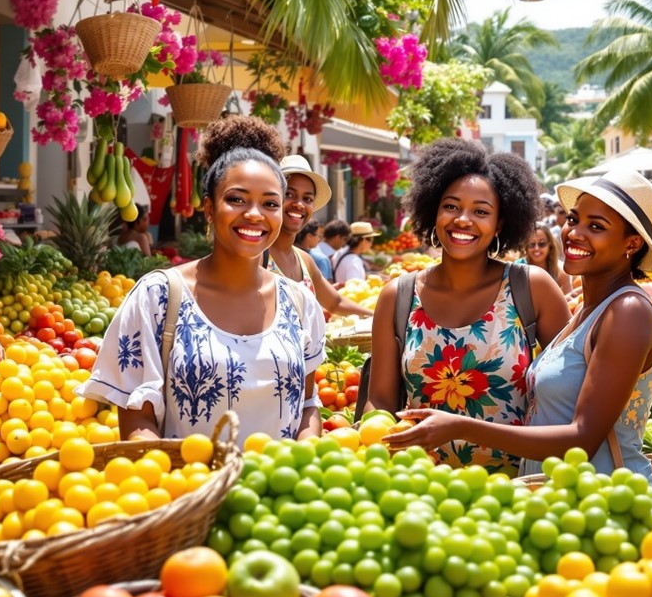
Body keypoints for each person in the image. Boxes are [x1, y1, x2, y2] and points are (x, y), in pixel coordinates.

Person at [385, 170, 652, 480]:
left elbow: (581, 441)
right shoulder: (589, 312)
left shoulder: (627, 312)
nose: (574, 233)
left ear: (632, 244)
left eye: (596, 226)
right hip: (556, 496)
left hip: (605, 500)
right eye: (573, 220)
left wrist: (458, 426)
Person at [77, 116, 326, 441]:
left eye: (270, 203)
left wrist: (306, 461)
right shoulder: (157, 297)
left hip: (281, 488)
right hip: (189, 486)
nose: (254, 214)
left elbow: (308, 404)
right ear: (209, 208)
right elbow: (137, 419)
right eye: (237, 199)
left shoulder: (300, 303)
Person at [364, 138, 569, 473]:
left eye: (481, 211)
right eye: (451, 206)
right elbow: (381, 402)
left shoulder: (531, 288)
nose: (463, 220)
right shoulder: (397, 297)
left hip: (521, 490)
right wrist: (382, 437)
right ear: (433, 209)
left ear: (500, 223)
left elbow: (567, 393)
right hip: (421, 489)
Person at [263, 156, 372, 317]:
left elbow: (336, 303)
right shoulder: (256, 257)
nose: (299, 204)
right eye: (289, 194)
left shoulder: (304, 260)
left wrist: (376, 317)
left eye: (307, 199)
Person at [520, 225, 571, 291]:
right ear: (526, 247)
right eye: (531, 244)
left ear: (550, 245)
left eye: (542, 243)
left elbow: (569, 299)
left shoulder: (560, 272)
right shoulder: (518, 270)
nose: (536, 248)